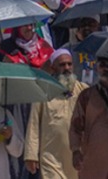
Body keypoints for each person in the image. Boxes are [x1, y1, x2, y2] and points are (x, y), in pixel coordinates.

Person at [26, 50, 86, 179]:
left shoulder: (84, 90)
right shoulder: (43, 92)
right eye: (62, 65)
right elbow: (34, 124)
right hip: (51, 158)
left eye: (69, 64)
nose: (67, 68)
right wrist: (31, 154)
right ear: (53, 68)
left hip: (78, 156)